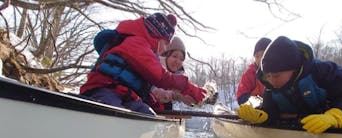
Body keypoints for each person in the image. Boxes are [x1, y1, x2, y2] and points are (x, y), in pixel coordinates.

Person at [79, 13, 207, 115]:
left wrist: (165, 94)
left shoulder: (148, 51)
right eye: (164, 44)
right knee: (112, 110)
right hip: (104, 89)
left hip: (127, 96)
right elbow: (161, 77)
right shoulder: (136, 42)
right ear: (155, 35)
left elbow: (148, 84)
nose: (163, 50)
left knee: (146, 113)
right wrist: (191, 89)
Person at [237, 36, 342, 134]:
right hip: (303, 130)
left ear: (293, 69)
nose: (272, 82)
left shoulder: (322, 70)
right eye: (269, 76)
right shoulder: (270, 87)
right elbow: (270, 112)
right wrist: (261, 116)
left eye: (276, 76)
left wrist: (336, 115)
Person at [149, 36, 198, 111]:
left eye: (181, 59)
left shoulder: (180, 81)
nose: (178, 61)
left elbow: (187, 97)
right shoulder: (154, 71)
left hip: (165, 117)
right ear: (165, 56)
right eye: (175, 56)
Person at [236, 37, 271, 105]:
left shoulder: (280, 71)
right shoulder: (250, 73)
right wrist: (258, 99)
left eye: (263, 55)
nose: (260, 59)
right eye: (257, 56)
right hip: (258, 111)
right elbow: (241, 98)